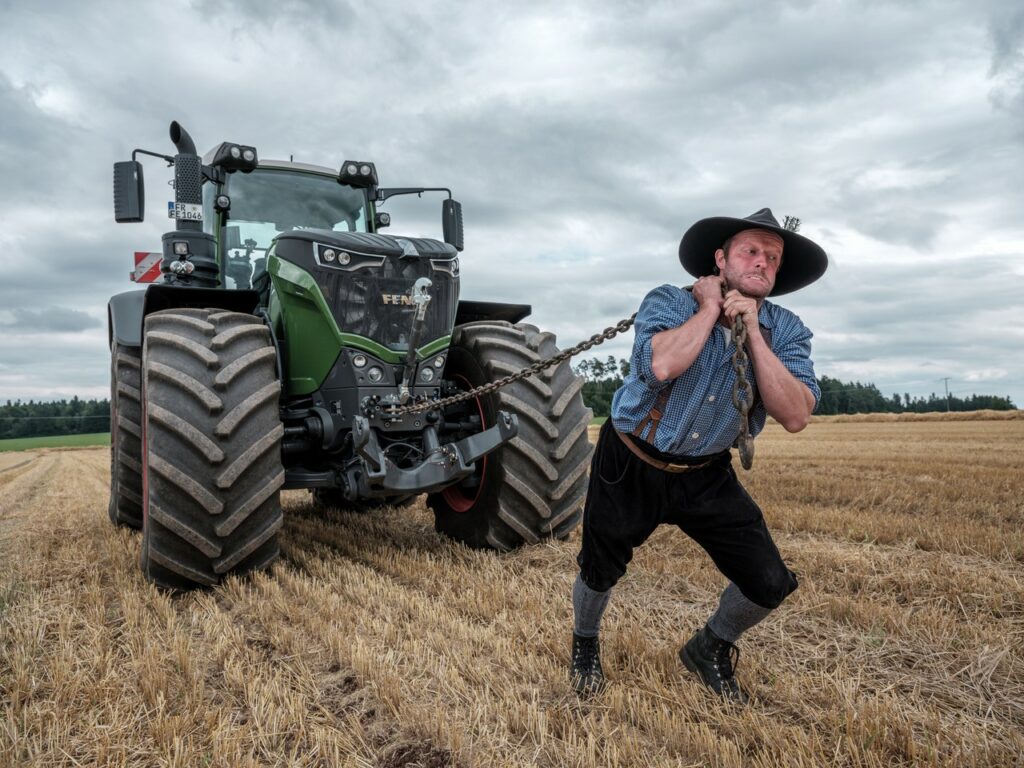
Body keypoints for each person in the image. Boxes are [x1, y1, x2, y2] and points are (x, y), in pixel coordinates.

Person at [569, 208, 828, 703]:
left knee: (769, 581)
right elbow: (661, 365)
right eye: (751, 251)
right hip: (632, 459)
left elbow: (796, 414)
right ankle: (585, 641)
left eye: (773, 258)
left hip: (706, 471)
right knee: (600, 569)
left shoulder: (787, 330)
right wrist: (710, 309)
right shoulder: (670, 300)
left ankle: (710, 646)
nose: (763, 262)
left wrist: (753, 331)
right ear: (720, 259)